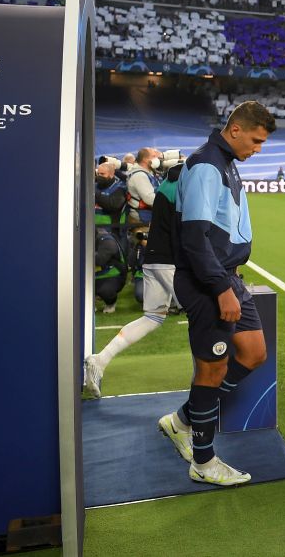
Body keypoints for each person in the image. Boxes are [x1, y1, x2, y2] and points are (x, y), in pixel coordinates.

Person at [157, 101, 276, 487]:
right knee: (213, 369)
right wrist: (222, 288)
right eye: (256, 140)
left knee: (254, 352)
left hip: (226, 277)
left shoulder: (225, 162)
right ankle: (203, 462)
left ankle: (183, 420)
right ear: (236, 129)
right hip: (208, 282)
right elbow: (194, 238)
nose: (258, 148)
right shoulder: (208, 164)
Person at [84, 160, 185, 398]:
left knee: (152, 317)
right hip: (169, 261)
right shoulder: (181, 192)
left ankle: (100, 360)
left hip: (153, 259)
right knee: (203, 314)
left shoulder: (165, 188)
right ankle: (210, 379)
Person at [126, 147, 162, 226]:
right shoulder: (140, 176)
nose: (157, 159)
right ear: (145, 159)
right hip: (141, 218)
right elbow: (150, 199)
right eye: (154, 156)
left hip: (149, 215)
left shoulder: (149, 172)